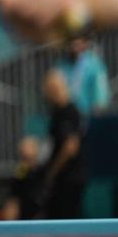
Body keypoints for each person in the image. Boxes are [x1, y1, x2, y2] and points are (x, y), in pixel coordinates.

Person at [40, 69, 85, 219]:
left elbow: (70, 147)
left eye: (48, 89)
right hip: (60, 179)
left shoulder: (69, 111)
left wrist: (52, 172)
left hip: (68, 178)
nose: (46, 93)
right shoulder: (56, 112)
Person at [55, 35, 110, 119]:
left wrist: (99, 105)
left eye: (76, 44)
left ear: (84, 44)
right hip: (66, 113)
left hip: (86, 112)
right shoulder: (61, 65)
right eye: (70, 44)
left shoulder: (94, 64)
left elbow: (100, 87)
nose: (73, 48)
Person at [2, 136, 43, 220]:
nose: (25, 151)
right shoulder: (19, 174)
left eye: (29, 147)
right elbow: (12, 201)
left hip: (43, 218)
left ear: (35, 151)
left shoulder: (43, 172)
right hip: (23, 219)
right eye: (22, 150)